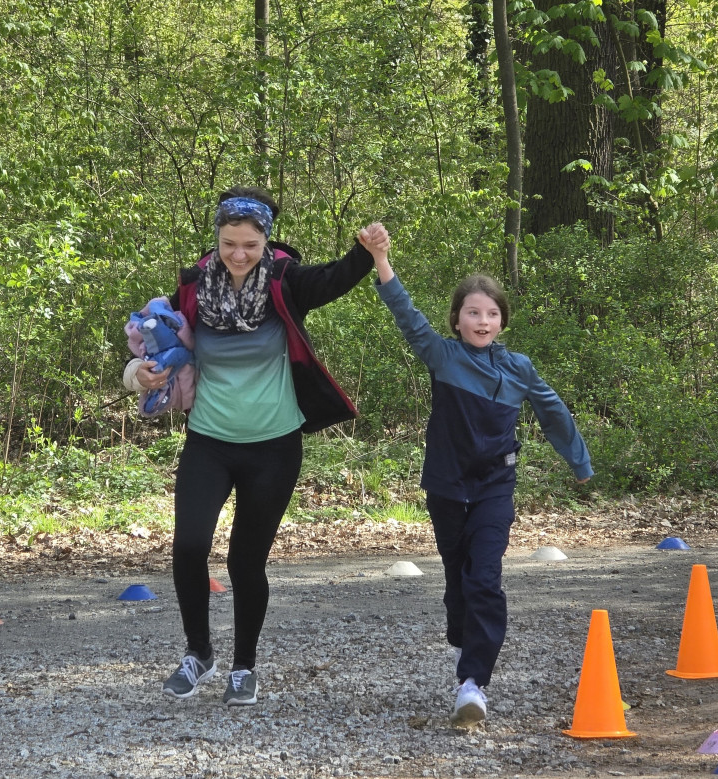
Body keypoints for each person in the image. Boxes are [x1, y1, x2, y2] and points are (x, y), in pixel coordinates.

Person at [123, 185, 384, 706]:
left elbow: (337, 276)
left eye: (249, 244)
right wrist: (139, 376)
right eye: (228, 244)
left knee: (246, 561)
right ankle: (199, 653)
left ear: (266, 240)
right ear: (216, 240)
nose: (238, 255)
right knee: (189, 547)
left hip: (274, 446)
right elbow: (153, 342)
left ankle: (244, 665)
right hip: (210, 442)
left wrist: (369, 248)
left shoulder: (287, 283)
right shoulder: (194, 289)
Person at [359, 225, 593, 727]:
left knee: (484, 578)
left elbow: (552, 412)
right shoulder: (442, 356)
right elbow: (406, 314)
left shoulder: (519, 369)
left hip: (494, 486)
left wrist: (579, 462)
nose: (482, 320)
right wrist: (381, 257)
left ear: (502, 321)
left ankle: (472, 684)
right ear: (458, 320)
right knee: (458, 580)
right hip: (446, 485)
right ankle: (465, 634)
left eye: (491, 313)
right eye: (472, 312)